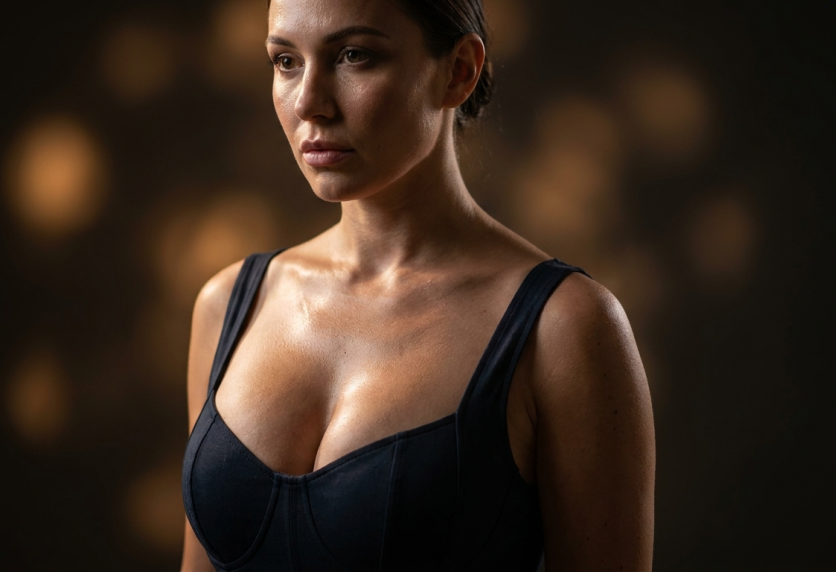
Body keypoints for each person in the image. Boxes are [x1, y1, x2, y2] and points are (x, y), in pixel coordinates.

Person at [180, 0, 655, 570]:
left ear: (458, 71)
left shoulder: (564, 328)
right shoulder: (229, 305)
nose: (308, 102)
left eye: (354, 55)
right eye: (286, 61)